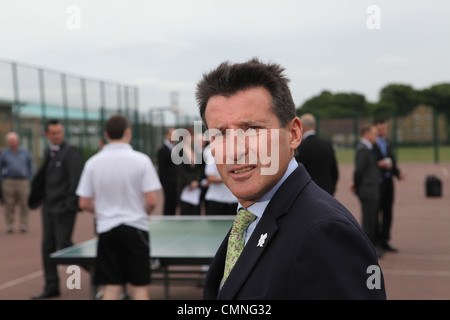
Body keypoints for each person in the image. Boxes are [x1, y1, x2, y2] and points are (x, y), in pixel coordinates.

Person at [196, 58, 386, 299]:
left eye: (252, 129)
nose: (235, 151)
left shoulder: (325, 233)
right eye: (220, 134)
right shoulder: (252, 215)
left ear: (294, 134)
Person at [76, 114, 162, 300]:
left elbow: (83, 202)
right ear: (128, 132)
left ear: (106, 134)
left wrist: (101, 212)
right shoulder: (142, 160)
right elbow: (152, 201)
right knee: (139, 289)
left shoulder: (92, 163)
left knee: (111, 289)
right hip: (135, 229)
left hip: (107, 230)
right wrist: (141, 212)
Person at [29, 119, 83, 299]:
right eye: (54, 133)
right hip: (48, 207)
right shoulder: (48, 152)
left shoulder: (71, 151)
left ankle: (97, 269)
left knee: (65, 244)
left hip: (64, 208)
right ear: (47, 135)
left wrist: (69, 204)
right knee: (47, 246)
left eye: (60, 132)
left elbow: (75, 180)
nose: (58, 135)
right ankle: (51, 285)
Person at [373, 118, 406, 253]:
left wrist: (398, 173)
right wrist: (379, 164)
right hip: (377, 182)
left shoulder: (387, 142)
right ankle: (376, 241)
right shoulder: (372, 143)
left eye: (385, 128)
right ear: (376, 128)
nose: (383, 130)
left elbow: (392, 159)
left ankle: (385, 240)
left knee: (388, 212)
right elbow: (370, 162)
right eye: (381, 128)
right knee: (376, 212)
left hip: (388, 182)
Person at [351, 124, 383, 258]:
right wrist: (357, 186)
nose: (376, 137)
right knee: (369, 221)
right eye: (374, 134)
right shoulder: (363, 149)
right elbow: (359, 171)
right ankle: (368, 250)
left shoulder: (368, 148)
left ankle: (372, 247)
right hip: (367, 189)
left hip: (371, 188)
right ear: (366, 134)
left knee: (372, 219)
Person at [295, 113, 339, 196]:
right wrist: (332, 188)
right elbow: (334, 170)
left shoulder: (300, 146)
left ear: (302, 126)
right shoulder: (327, 143)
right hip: (327, 190)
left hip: (306, 191)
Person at [0, 132, 34, 233]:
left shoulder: (25, 152)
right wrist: (3, 179)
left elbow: (31, 165)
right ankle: (10, 224)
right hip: (9, 181)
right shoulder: (4, 153)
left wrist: (29, 177)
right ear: (7, 142)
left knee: (24, 204)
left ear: (17, 141)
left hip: (23, 181)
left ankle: (24, 224)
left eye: (14, 140)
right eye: (10, 141)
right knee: (9, 204)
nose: (12, 143)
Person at [203, 145, 238, 216]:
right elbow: (210, 177)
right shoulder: (214, 158)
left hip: (235, 201)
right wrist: (230, 178)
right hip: (215, 201)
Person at [178, 128, 202, 215]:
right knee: (186, 212)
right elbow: (181, 170)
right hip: (185, 187)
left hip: (196, 188)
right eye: (190, 136)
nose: (192, 138)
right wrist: (190, 182)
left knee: (196, 212)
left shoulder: (195, 151)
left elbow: (199, 169)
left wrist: (196, 181)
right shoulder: (178, 152)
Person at [157, 127, 178, 215]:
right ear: (167, 135)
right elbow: (162, 169)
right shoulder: (162, 150)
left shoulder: (176, 149)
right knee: (168, 205)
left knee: (174, 204)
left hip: (175, 183)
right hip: (168, 184)